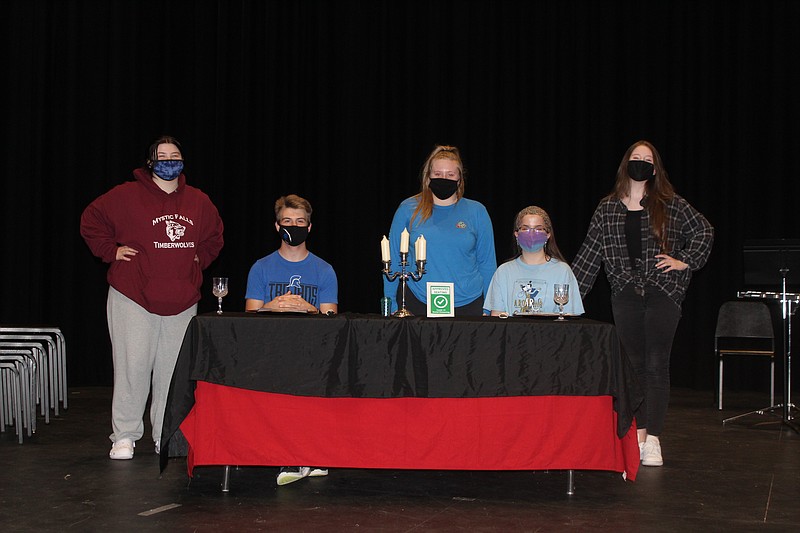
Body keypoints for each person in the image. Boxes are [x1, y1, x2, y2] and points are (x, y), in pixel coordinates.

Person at [80, 135, 224, 460]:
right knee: (133, 367)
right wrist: (111, 251)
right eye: (162, 156)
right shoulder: (125, 195)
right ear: (150, 162)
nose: (169, 161)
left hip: (182, 298)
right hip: (133, 296)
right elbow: (91, 220)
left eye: (176, 155)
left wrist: (201, 257)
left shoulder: (199, 201)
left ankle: (165, 434)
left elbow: (215, 236)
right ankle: (125, 435)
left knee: (172, 371)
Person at [571, 140, 713, 468]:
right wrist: (565, 299)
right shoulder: (607, 208)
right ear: (626, 164)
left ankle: (654, 440)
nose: (641, 163)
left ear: (655, 167)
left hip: (664, 291)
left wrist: (684, 261)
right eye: (636, 158)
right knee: (633, 366)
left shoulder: (670, 203)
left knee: (656, 363)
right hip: (624, 293)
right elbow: (589, 257)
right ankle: (640, 432)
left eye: (647, 159)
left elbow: (705, 231)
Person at [244, 194, 337, 485]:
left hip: (312, 355)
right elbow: (249, 316)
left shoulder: (324, 270)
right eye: (288, 222)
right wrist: (273, 306)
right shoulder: (261, 267)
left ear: (309, 228)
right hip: (272, 352)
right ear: (277, 226)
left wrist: (308, 308)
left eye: (300, 222)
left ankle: (311, 454)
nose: (293, 227)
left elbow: (331, 320)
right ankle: (290, 454)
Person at [384, 145, 496, 316]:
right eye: (438, 174)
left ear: (459, 178)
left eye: (450, 175)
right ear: (428, 176)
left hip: (468, 303)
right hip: (418, 301)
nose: (444, 178)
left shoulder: (477, 212)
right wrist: (390, 304)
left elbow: (487, 264)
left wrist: (489, 308)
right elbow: (392, 259)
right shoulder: (408, 209)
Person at [485, 206, 584, 317]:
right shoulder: (503, 272)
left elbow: (569, 318)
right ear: (516, 234)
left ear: (548, 235)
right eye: (525, 228)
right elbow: (497, 317)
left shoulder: (562, 271)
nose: (531, 233)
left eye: (538, 229)